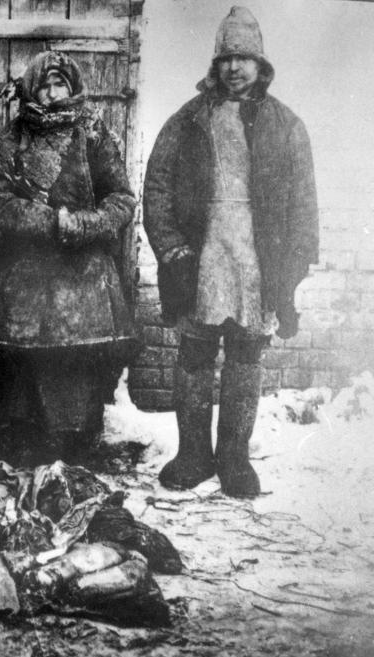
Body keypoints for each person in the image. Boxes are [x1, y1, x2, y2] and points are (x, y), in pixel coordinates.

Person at [143, 6, 318, 498]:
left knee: (245, 351)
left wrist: (292, 263)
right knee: (196, 349)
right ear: (215, 65)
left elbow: (304, 203)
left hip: (257, 255)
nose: (235, 69)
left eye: (245, 59)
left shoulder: (286, 125)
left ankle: (235, 458)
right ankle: (194, 454)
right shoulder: (188, 121)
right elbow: (156, 187)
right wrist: (173, 248)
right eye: (227, 59)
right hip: (204, 253)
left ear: (261, 66)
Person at [0, 51, 137, 464]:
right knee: (28, 372)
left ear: (72, 88)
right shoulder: (14, 136)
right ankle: (29, 451)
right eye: (44, 86)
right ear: (32, 90)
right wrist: (50, 221)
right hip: (27, 274)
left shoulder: (93, 133)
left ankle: (76, 447)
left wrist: (82, 225)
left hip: (84, 274)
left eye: (59, 85)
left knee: (76, 367)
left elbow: (121, 200)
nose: (51, 95)